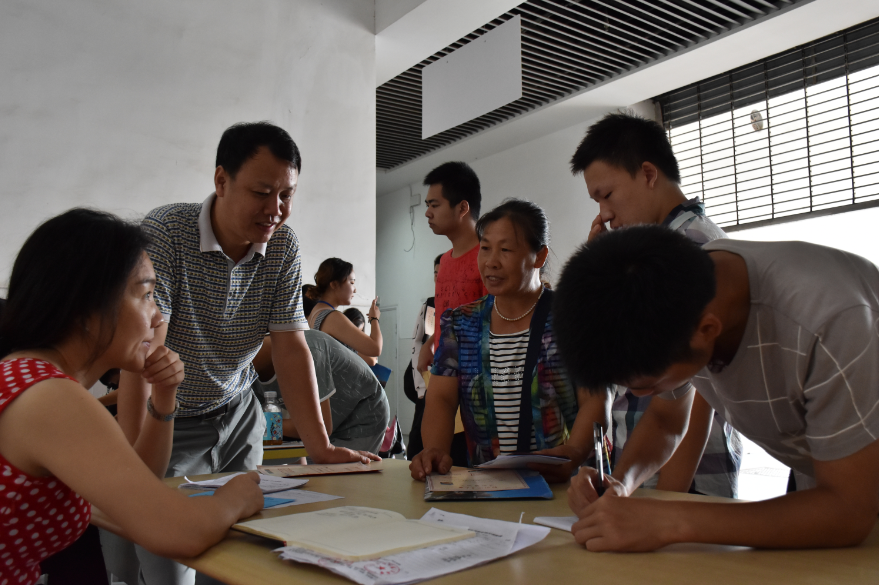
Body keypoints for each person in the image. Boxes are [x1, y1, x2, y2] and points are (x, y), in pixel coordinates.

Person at [113, 122, 376, 585]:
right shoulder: (166, 232)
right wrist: (137, 459)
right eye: (262, 192)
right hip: (171, 422)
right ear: (221, 181)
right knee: (169, 562)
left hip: (238, 416)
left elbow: (291, 348)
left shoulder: (283, 246)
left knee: (243, 563)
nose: (275, 210)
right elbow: (145, 353)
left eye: (287, 195)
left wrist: (320, 448)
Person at [555, 225, 879, 551]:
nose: (643, 396)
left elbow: (849, 509)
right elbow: (667, 421)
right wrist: (619, 486)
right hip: (830, 491)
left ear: (707, 330)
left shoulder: (830, 320)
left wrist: (669, 520)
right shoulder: (674, 295)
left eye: (649, 385)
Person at [0, 209, 264, 585]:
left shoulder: (24, 376)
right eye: (146, 295)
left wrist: (164, 398)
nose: (158, 317)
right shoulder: (50, 397)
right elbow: (179, 531)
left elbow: (140, 479)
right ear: (87, 308)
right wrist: (237, 494)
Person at [568, 112, 742, 498]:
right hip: (653, 470)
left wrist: (667, 500)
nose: (604, 214)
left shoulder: (691, 249)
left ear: (648, 174)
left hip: (685, 479)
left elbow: (694, 401)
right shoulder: (661, 248)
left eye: (607, 195)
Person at [410, 199, 597, 483]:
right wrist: (435, 449)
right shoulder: (461, 324)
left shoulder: (573, 318)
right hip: (490, 485)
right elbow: (442, 399)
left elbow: (595, 398)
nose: (491, 261)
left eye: (505, 250)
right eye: (485, 248)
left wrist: (573, 452)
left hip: (566, 486)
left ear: (539, 256)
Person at [252, 331, 390, 453]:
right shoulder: (250, 373)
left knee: (334, 473)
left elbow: (319, 428)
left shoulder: (308, 350)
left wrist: (262, 423)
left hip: (362, 414)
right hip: (330, 423)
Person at [306, 258, 382, 363]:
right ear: (334, 284)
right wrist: (374, 318)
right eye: (352, 282)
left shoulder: (316, 310)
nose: (355, 289)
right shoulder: (332, 317)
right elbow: (375, 348)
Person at [404, 254, 441, 459]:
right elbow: (417, 340)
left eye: (443, 273)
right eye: (435, 274)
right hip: (426, 380)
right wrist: (420, 384)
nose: (438, 278)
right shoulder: (430, 305)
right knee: (418, 441)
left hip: (450, 381)